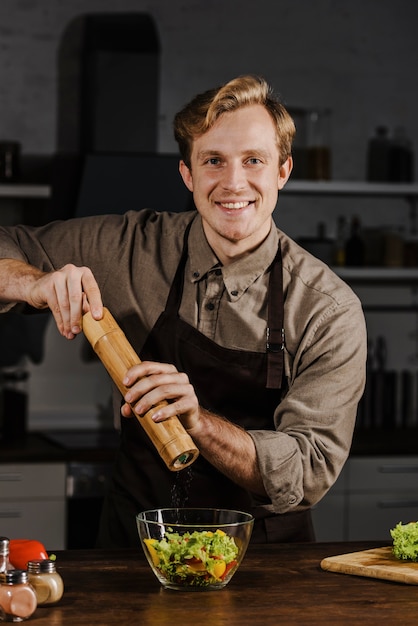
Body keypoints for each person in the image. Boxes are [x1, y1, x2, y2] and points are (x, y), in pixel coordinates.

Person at [0, 75, 366, 546]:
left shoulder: (327, 309)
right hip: (134, 553)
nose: (234, 183)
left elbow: (308, 469)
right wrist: (36, 282)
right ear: (188, 174)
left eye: (253, 160)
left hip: (263, 565)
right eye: (213, 160)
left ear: (282, 171)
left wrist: (196, 423)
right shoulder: (129, 248)